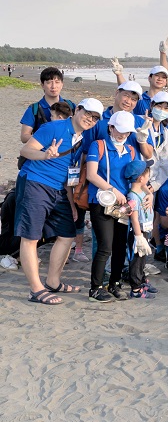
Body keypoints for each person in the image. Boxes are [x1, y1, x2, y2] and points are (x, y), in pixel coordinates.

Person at [15, 98, 102, 304]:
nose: (90, 119)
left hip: (60, 190)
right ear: (77, 110)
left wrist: (71, 204)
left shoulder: (83, 138)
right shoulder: (53, 127)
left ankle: (53, 282)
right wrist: (45, 154)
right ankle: (36, 289)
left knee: (67, 234)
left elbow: (71, 174)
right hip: (35, 183)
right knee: (30, 237)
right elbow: (25, 150)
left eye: (95, 117)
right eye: (87, 113)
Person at [85, 111, 140, 302]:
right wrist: (113, 190)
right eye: (120, 130)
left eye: (126, 132)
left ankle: (114, 283)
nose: (123, 135)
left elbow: (135, 179)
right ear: (111, 127)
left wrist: (140, 196)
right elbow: (91, 175)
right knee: (105, 246)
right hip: (101, 202)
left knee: (119, 246)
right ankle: (95, 288)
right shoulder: (98, 146)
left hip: (122, 205)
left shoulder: (131, 150)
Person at [125, 160, 158, 299]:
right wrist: (139, 237)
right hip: (138, 232)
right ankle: (136, 289)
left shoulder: (141, 190)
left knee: (143, 258)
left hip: (146, 230)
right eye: (148, 174)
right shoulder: (133, 196)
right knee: (137, 260)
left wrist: (149, 193)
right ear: (141, 178)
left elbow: (144, 187)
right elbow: (134, 218)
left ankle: (142, 280)